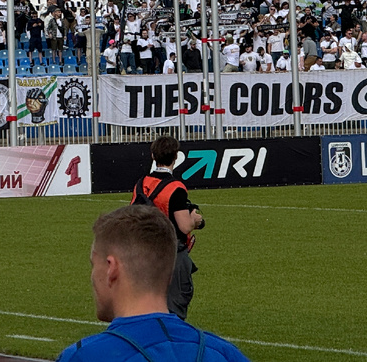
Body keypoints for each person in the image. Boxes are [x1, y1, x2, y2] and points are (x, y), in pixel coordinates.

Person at [56, 205, 250, 362]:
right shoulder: (224, 353)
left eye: (93, 264)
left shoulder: (84, 356)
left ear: (111, 268)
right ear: (169, 273)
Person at [130, 135, 203, 320]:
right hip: (171, 254)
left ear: (153, 156)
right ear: (175, 157)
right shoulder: (175, 188)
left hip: (143, 252)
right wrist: (195, 219)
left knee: (146, 307)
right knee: (174, 310)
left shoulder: (141, 183)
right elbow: (185, 226)